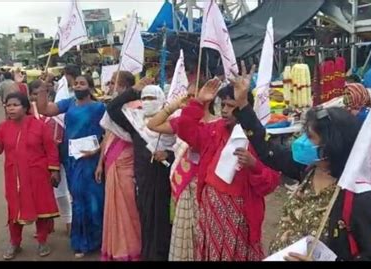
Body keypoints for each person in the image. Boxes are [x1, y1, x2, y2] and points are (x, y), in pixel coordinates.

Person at [232, 62, 371, 261]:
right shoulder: (308, 169)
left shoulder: (359, 198)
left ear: (332, 146)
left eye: (310, 137)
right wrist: (244, 105)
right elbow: (268, 149)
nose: (301, 142)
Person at [174, 73, 280, 261]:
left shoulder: (256, 139)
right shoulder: (214, 130)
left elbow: (270, 183)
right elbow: (184, 129)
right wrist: (199, 102)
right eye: (222, 105)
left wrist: (254, 165)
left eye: (230, 106)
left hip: (239, 217)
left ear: (243, 107)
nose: (224, 110)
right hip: (210, 211)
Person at [146, 81, 219, 261]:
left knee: (205, 235)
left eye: (193, 96)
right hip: (185, 187)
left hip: (208, 189)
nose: (189, 100)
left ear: (208, 98)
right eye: (188, 96)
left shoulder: (218, 124)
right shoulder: (182, 122)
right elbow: (153, 125)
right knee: (186, 235)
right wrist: (174, 106)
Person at [36, 75, 106, 258]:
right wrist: (43, 88)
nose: (78, 86)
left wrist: (98, 150)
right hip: (73, 160)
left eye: (82, 83)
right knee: (78, 198)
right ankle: (81, 242)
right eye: (76, 83)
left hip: (93, 159)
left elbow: (110, 133)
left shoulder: (100, 108)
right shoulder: (69, 103)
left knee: (95, 200)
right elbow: (44, 109)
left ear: (90, 88)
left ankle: (98, 240)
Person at [0, 92, 60, 260]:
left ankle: (42, 241)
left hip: (38, 175)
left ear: (25, 107)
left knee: (41, 208)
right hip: (14, 177)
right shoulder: (3, 127)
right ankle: (15, 243)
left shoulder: (39, 126)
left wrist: (54, 170)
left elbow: (51, 149)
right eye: (8, 105)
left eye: (15, 105)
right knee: (15, 209)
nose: (10, 108)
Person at [107, 80, 175, 261]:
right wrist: (132, 91)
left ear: (161, 99)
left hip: (165, 178)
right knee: (146, 217)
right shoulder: (135, 121)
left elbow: (183, 149)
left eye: (151, 97)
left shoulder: (172, 121)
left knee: (163, 217)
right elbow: (112, 109)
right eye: (143, 98)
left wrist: (168, 155)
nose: (147, 101)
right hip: (144, 178)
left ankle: (163, 254)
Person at [97, 71, 142, 261]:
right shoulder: (112, 112)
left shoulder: (136, 108)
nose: (110, 86)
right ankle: (115, 248)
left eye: (114, 83)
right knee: (114, 208)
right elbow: (108, 136)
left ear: (124, 87)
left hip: (127, 162)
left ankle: (132, 249)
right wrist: (100, 163)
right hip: (111, 162)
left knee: (128, 208)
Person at [28, 80, 72, 237]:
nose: (36, 98)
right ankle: (46, 225)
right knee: (41, 195)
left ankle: (69, 222)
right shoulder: (27, 114)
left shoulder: (55, 111)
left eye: (40, 93)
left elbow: (59, 138)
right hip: (37, 162)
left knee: (61, 192)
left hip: (58, 158)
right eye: (33, 94)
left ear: (47, 94)